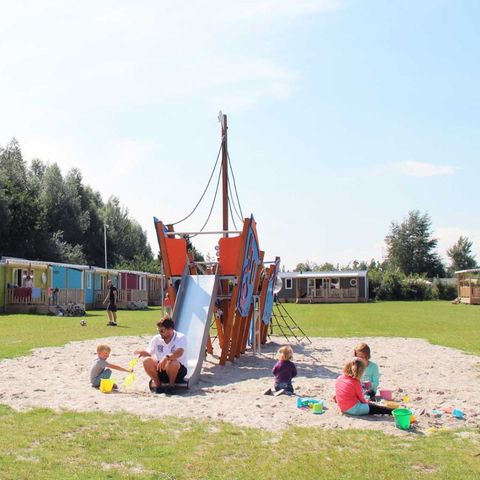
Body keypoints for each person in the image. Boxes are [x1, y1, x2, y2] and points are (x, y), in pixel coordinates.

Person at [134, 317, 187, 394]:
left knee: (172, 362)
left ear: (171, 329)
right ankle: (158, 386)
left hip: (178, 372)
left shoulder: (180, 337)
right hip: (161, 369)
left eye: (162, 330)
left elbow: (179, 352)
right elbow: (149, 352)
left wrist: (166, 358)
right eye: (158, 330)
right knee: (146, 360)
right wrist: (143, 352)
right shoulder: (156, 338)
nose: (160, 333)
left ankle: (171, 386)